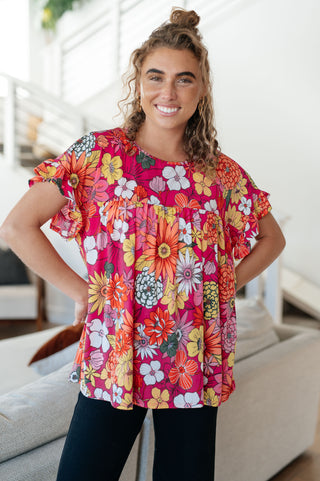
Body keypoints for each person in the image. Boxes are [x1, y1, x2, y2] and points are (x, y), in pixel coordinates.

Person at [0, 7, 285, 481]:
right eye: (156, 76)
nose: (168, 93)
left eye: (184, 79)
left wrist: (219, 285)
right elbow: (17, 227)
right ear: (138, 80)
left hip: (193, 351)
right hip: (115, 349)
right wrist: (85, 293)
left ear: (202, 89)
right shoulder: (98, 155)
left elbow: (271, 239)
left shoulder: (220, 173)